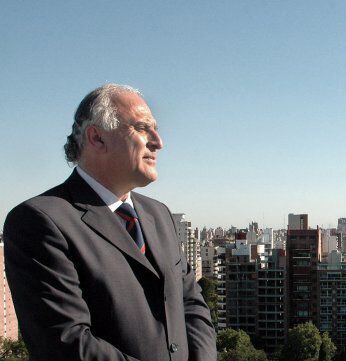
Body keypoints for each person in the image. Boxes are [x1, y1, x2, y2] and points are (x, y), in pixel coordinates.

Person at [3, 84, 217, 360]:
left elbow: (191, 303)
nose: (158, 141)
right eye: (142, 128)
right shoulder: (41, 221)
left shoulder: (159, 215)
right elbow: (65, 343)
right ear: (97, 138)